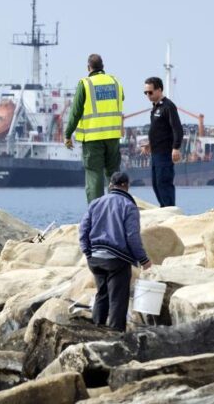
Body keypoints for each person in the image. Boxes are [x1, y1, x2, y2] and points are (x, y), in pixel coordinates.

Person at [79, 172, 151, 331]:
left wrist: (87, 252)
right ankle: (115, 335)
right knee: (118, 299)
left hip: (95, 259)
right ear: (126, 185)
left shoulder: (95, 203)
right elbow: (132, 237)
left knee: (101, 294)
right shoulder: (128, 206)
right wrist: (144, 260)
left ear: (110, 185)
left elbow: (83, 230)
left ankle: (97, 329)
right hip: (116, 260)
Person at [64, 54, 125, 203]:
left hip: (92, 139)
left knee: (94, 175)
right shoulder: (115, 81)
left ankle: (97, 212)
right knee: (113, 174)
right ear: (103, 66)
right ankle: (116, 207)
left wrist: (67, 134)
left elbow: (76, 112)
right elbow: (122, 97)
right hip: (112, 136)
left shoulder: (85, 84)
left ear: (88, 67)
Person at [142, 76, 183, 207]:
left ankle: (170, 209)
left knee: (164, 183)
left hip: (165, 154)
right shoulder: (155, 107)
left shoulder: (168, 106)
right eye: (145, 92)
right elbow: (160, 130)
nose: (148, 95)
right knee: (156, 183)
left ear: (159, 90)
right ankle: (163, 207)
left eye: (150, 92)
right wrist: (150, 144)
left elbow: (177, 129)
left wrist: (176, 148)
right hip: (155, 153)